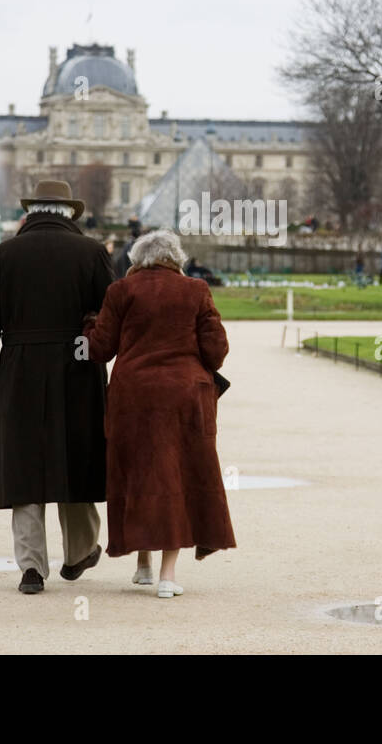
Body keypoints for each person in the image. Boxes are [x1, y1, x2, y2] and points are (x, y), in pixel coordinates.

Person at [0, 180, 114, 596]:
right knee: (76, 457)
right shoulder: (91, 253)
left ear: (31, 212)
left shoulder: (3, 255)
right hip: (78, 365)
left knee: (25, 465)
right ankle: (80, 551)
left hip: (21, 369)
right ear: (70, 212)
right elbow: (113, 317)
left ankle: (32, 567)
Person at [84, 229, 234, 598]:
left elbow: (100, 349)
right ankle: (167, 576)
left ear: (138, 260)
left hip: (133, 395)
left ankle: (143, 565)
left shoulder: (120, 291)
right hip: (184, 397)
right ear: (175, 258)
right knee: (177, 477)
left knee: (137, 473)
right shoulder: (195, 290)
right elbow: (216, 350)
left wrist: (88, 324)